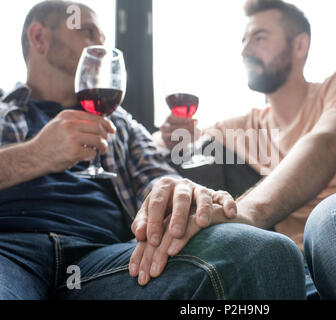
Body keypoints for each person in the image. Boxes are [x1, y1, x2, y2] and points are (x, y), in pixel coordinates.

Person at [0, 0, 306, 300]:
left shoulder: (120, 122)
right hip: (9, 250)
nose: (101, 47)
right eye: (89, 32)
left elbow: (157, 178)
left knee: (269, 254)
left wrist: (176, 195)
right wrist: (35, 154)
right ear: (39, 37)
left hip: (102, 260)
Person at [151, 0, 336, 299]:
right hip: (323, 270)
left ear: (300, 45)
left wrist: (245, 213)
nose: (245, 51)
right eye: (243, 41)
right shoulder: (245, 126)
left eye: (259, 37)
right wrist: (168, 135)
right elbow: (166, 141)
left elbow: (326, 143)